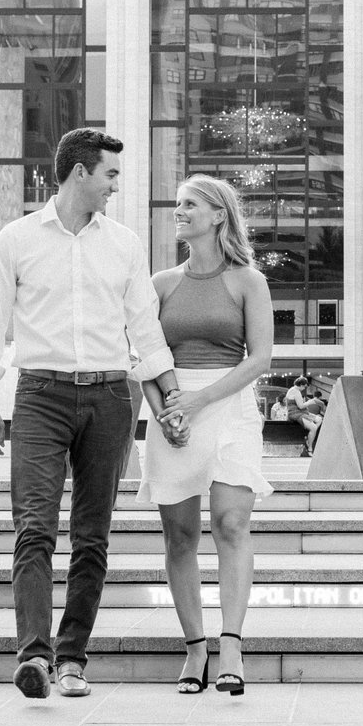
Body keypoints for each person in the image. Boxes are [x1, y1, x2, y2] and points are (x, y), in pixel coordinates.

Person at [0, 127, 183, 701]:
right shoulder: (17, 239)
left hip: (110, 399)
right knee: (34, 529)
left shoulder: (124, 244)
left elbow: (144, 326)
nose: (116, 185)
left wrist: (170, 398)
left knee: (92, 538)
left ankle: (72, 658)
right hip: (39, 395)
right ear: (80, 173)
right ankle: (34, 657)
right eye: (111, 174)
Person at [143, 175, 274, 696]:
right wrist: (163, 411)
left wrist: (201, 400)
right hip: (173, 408)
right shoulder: (160, 284)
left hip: (229, 405)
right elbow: (145, 358)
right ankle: (195, 646)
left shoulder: (249, 281)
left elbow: (260, 359)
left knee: (232, 521)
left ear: (218, 215)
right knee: (179, 535)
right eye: (176, 204)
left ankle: (232, 644)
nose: (179, 211)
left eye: (189, 205)